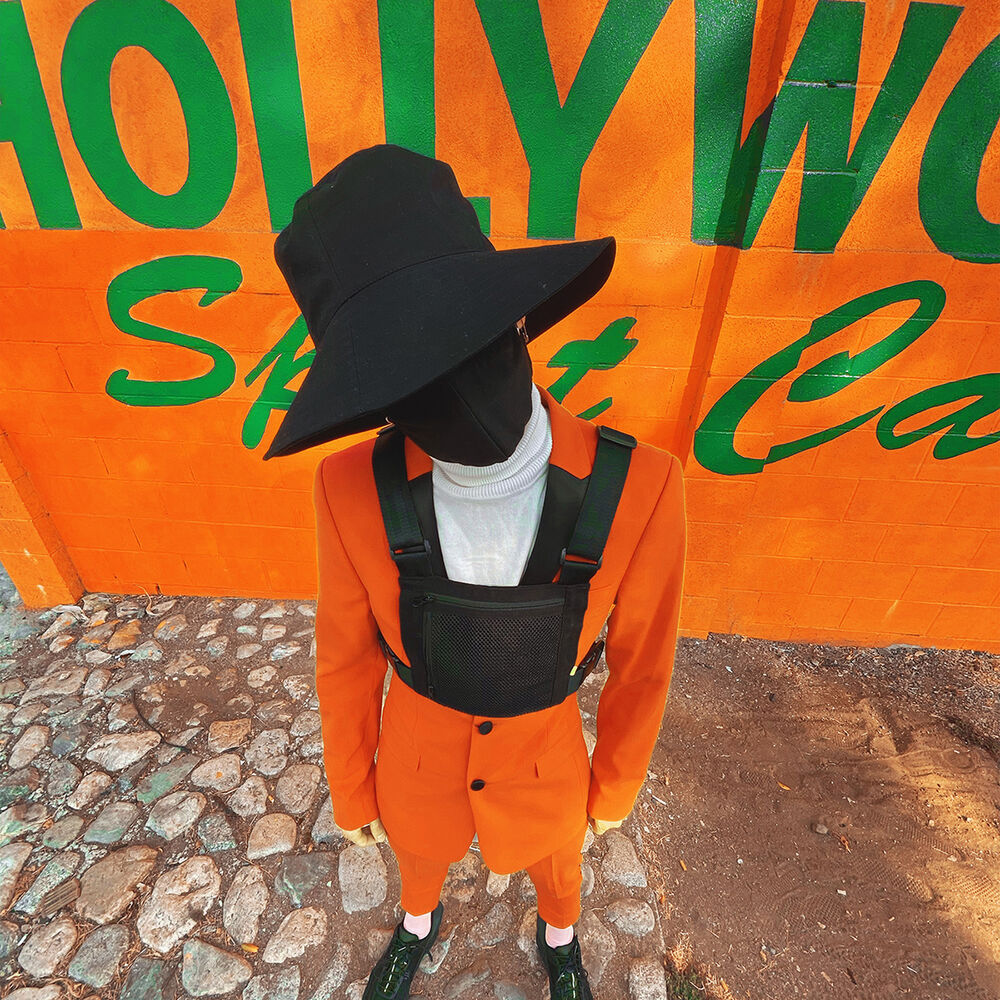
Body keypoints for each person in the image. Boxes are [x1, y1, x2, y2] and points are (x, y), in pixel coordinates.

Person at [263, 144, 687, 1000]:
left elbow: (644, 661)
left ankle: (560, 937)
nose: (448, 384)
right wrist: (352, 789)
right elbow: (345, 655)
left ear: (515, 318)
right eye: (406, 372)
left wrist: (616, 785)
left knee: (560, 868)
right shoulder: (349, 488)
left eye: (464, 334)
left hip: (547, 765)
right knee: (418, 861)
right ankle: (417, 924)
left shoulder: (641, 486)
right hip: (416, 762)